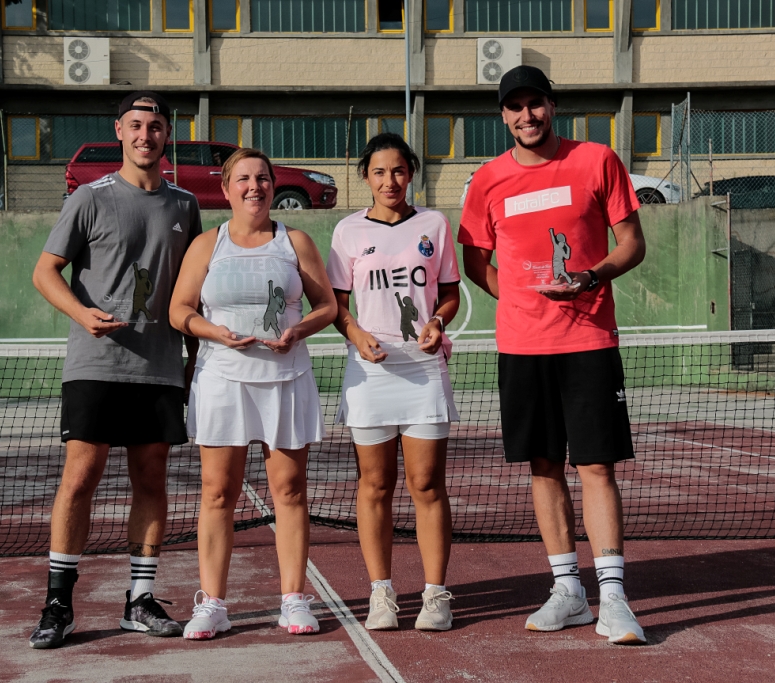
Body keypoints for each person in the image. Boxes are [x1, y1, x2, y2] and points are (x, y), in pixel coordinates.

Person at [459, 65, 648, 644]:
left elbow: (633, 243)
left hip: (588, 340)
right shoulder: (486, 181)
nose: (526, 116)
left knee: (595, 466)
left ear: (551, 105)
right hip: (522, 345)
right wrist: (517, 295)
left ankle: (613, 598)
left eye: (534, 104)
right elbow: (474, 260)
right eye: (514, 107)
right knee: (543, 466)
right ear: (503, 116)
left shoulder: (596, 160)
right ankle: (570, 591)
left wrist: (591, 279)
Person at [27, 91, 202, 649]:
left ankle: (139, 601)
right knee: (80, 478)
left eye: (155, 126)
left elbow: (193, 288)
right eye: (136, 125)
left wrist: (195, 359)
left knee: (150, 481)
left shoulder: (184, 206)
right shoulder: (89, 198)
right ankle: (58, 604)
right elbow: (45, 272)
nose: (145, 135)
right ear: (120, 132)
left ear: (166, 135)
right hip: (95, 364)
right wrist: (82, 314)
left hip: (160, 367)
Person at [169, 148, 337, 640]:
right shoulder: (207, 245)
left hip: (286, 380)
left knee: (289, 491)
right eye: (242, 179)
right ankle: (213, 604)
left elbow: (326, 306)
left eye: (262, 178)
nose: (254, 187)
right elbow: (180, 310)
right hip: (221, 380)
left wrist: (297, 330)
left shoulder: (295, 241)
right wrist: (213, 332)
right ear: (225, 190)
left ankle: (293, 599)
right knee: (218, 493)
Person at [326, 133, 461, 631]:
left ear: (412, 173)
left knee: (427, 484)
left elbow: (449, 294)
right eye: (380, 172)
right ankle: (381, 593)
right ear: (366, 176)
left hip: (423, 368)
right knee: (375, 484)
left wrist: (438, 323)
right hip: (371, 371)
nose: (390, 181)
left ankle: (435, 595)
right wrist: (356, 333)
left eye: (399, 171)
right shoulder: (347, 231)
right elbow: (336, 307)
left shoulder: (434, 225)